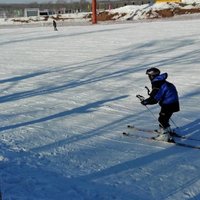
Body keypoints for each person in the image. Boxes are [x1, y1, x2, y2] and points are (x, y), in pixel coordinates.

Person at [140, 67, 180, 142]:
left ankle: (164, 135)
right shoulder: (161, 81)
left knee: (162, 119)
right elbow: (157, 94)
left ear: (152, 76)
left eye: (149, 76)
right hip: (173, 102)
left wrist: (146, 102)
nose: (149, 77)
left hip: (169, 103)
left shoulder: (157, 84)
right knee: (165, 118)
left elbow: (155, 98)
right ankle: (168, 131)